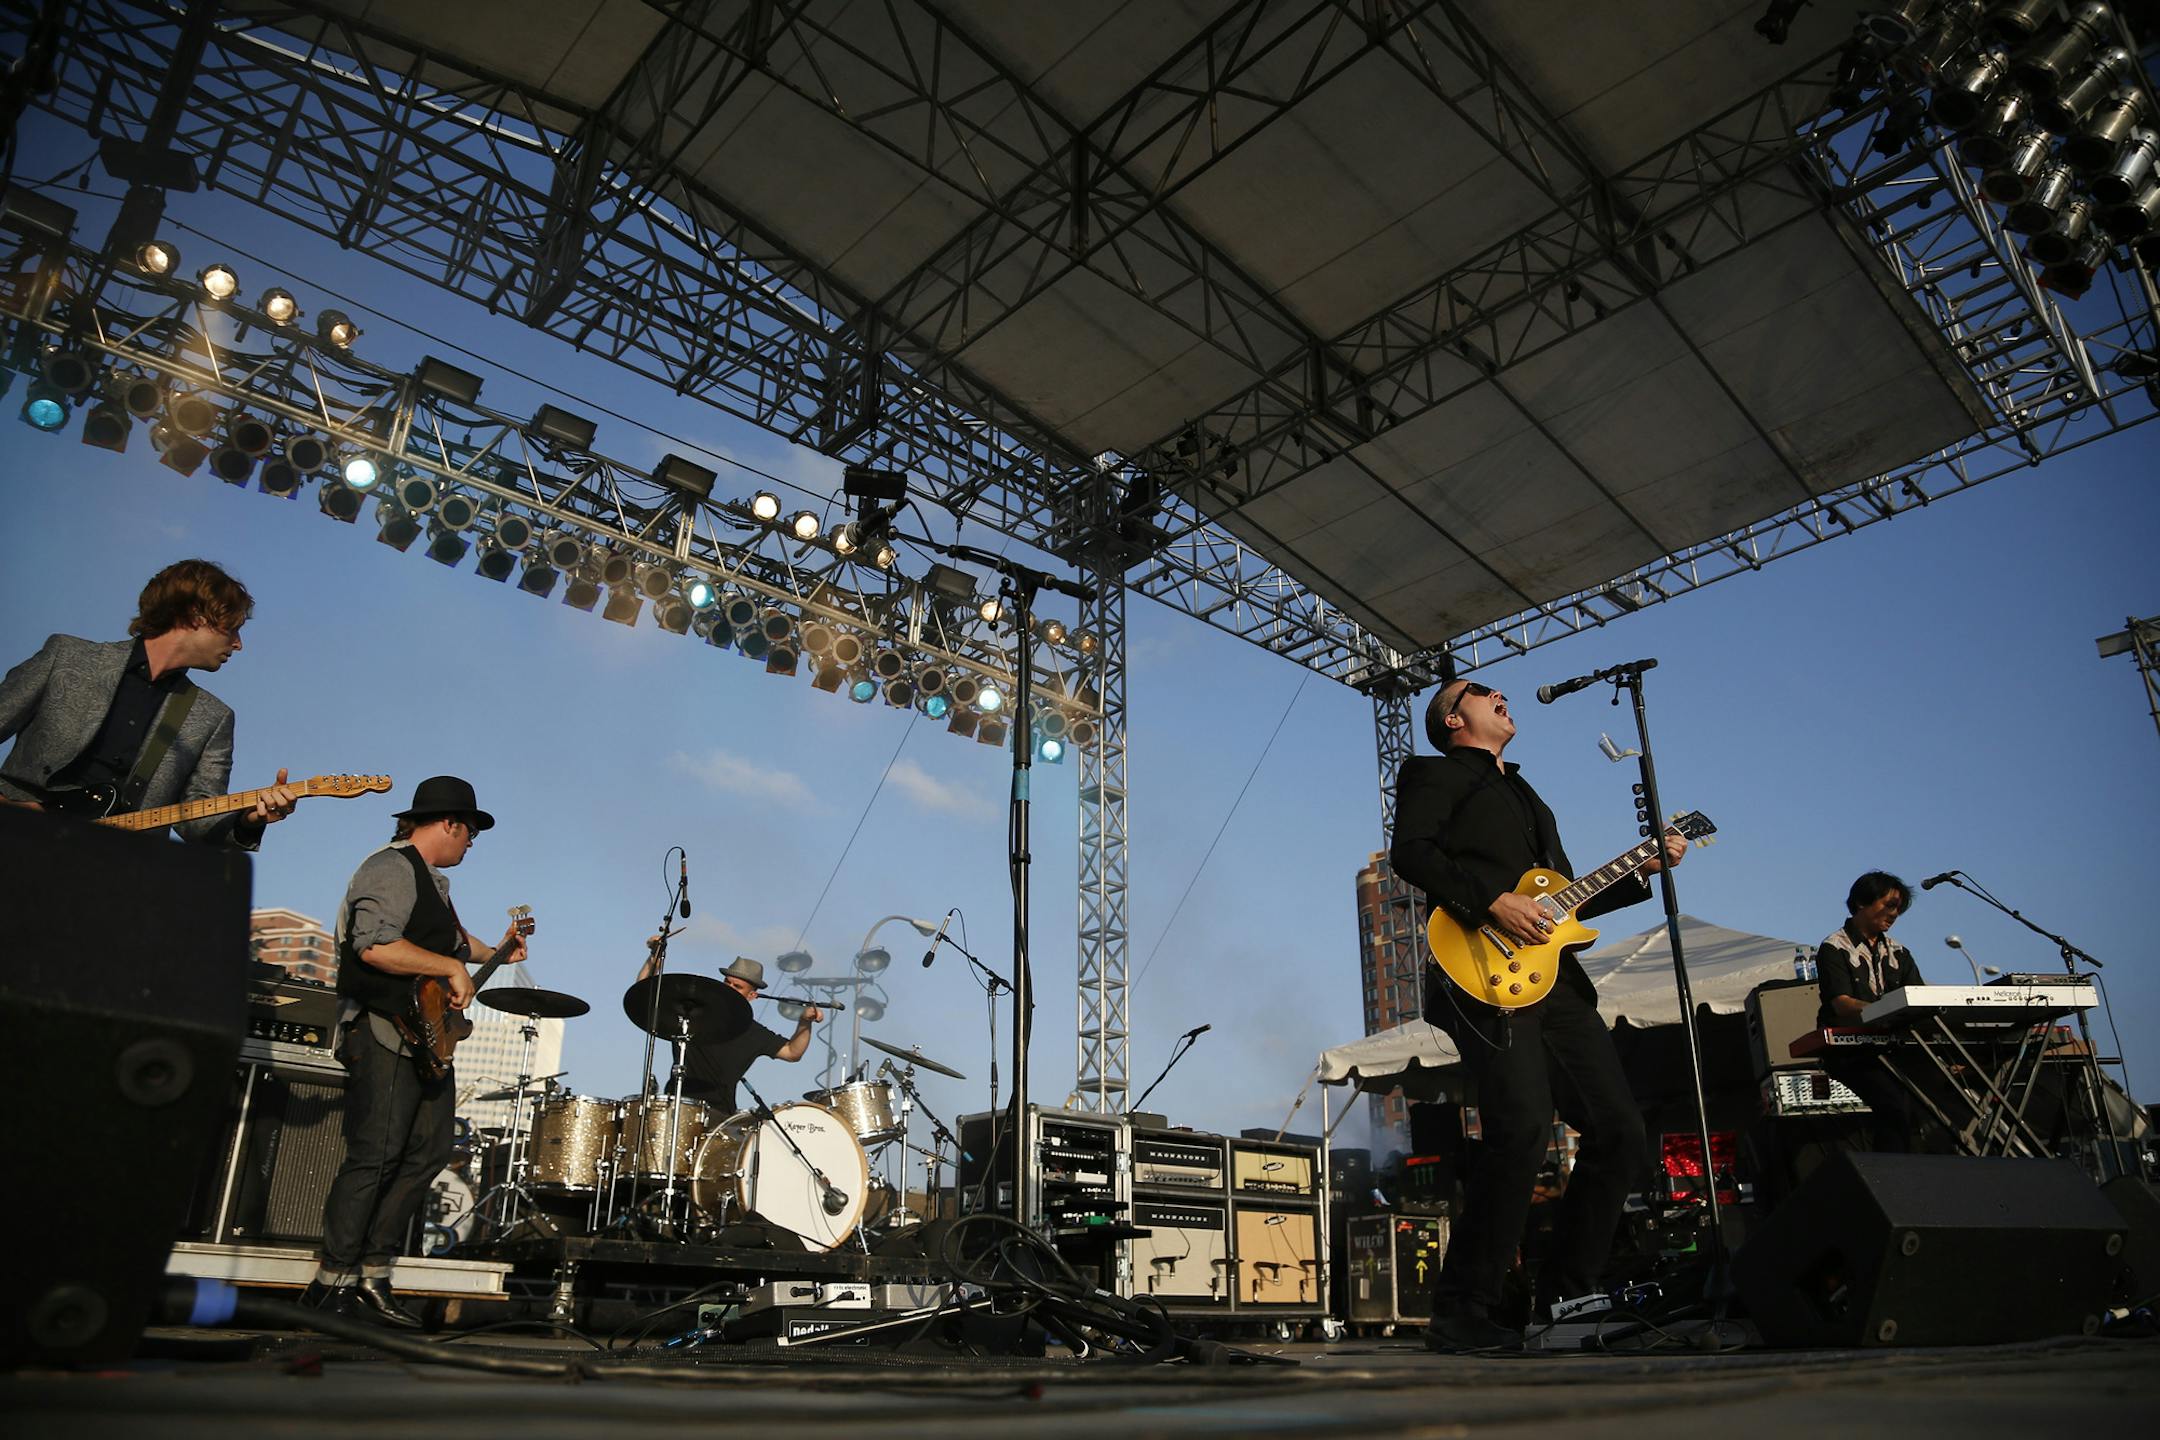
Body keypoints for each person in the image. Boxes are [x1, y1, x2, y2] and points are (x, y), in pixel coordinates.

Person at [1390, 678, 1686, 1352]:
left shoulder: (1529, 796)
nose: (1501, 694)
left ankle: (1565, 1296)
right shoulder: (1433, 772)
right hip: (1481, 969)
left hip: (1556, 982)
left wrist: (1644, 870)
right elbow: (1413, 852)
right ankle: (1463, 1306)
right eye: (1482, 691)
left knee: (1619, 1130)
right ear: (1453, 717)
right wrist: (1491, 902)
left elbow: (1564, 909)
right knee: (1520, 1130)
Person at [304, 776, 526, 1328]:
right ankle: (330, 1286)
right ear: (449, 823)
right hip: (382, 1028)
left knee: (426, 1153)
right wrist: (451, 968)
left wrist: (498, 948)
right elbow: (376, 945)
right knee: (375, 1155)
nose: (471, 843)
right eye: (470, 832)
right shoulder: (390, 867)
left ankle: (373, 1277)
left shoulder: (434, 884)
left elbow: (453, 944)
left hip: (426, 1039)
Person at [0, 558, 298, 840]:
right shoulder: (67, 657)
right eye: (232, 628)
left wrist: (249, 819)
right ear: (196, 617)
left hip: (113, 871)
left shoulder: (213, 717)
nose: (238, 643)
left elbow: (197, 820)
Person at [1814, 871, 1925, 1152]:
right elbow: (1842, 1004)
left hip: (1893, 1048)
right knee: (1893, 1105)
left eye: (1898, 908)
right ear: (1862, 902)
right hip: (1851, 1051)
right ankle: (1893, 1180)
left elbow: (1920, 1001)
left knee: (1919, 1107)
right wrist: (1887, 1009)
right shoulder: (1834, 947)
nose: (1894, 914)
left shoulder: (1899, 952)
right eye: (1889, 905)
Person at [635, 951, 821, 1114]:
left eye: (737, 987)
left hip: (721, 1120)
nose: (729, 988)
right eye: (727, 982)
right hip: (676, 1109)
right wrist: (654, 959)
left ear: (752, 995)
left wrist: (804, 1022)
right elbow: (642, 995)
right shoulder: (690, 1013)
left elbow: (792, 1052)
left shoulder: (753, 1032)